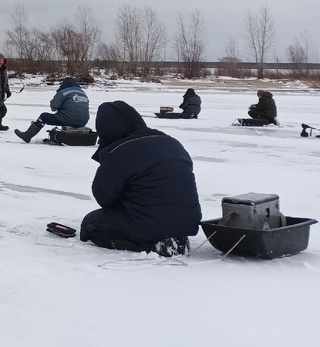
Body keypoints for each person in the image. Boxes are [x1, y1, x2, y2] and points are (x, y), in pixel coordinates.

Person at [78, 101, 201, 257]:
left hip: (146, 224)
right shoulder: (172, 142)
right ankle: (171, 238)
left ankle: (147, 245)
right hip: (188, 222)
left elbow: (104, 197)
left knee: (90, 225)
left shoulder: (119, 151)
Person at [15, 77, 89, 143]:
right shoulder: (83, 93)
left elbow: (54, 107)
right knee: (69, 114)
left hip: (67, 119)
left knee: (43, 117)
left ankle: (27, 136)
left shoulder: (64, 92)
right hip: (83, 121)